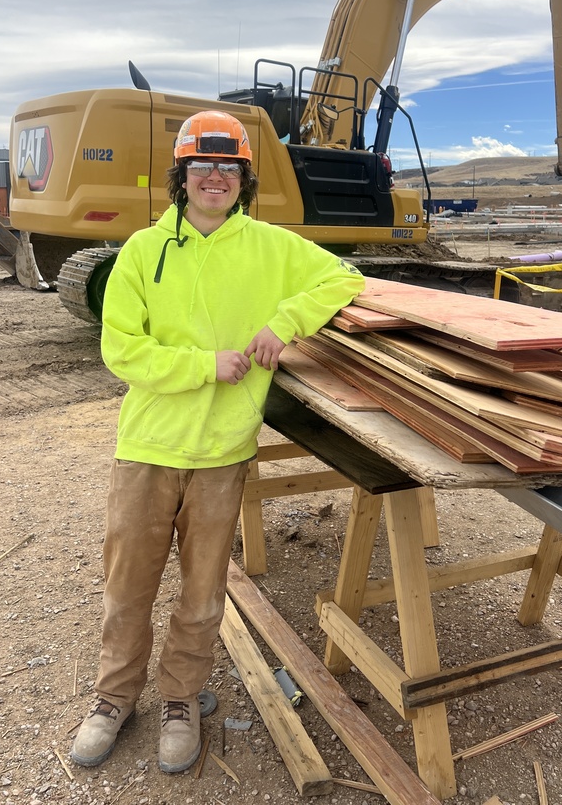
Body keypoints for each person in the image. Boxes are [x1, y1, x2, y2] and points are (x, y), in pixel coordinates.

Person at [71, 109, 364, 773]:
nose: (214, 178)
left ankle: (181, 698)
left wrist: (285, 322)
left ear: (243, 179)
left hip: (224, 453)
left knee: (203, 593)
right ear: (182, 176)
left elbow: (344, 278)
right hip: (148, 449)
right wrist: (206, 365)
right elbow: (121, 349)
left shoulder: (269, 245)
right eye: (201, 166)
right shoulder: (144, 251)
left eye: (227, 167)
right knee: (128, 586)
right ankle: (112, 699)